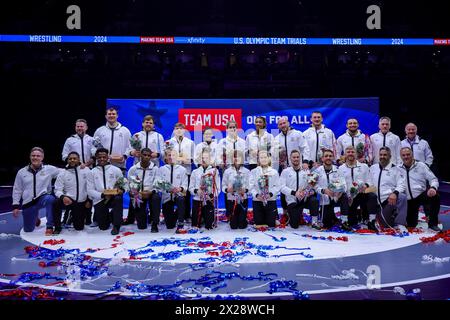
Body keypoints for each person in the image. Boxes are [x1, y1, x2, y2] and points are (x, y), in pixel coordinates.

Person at [12, 147, 60, 235]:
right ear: (30, 157)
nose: (35, 157)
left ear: (42, 158)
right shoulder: (21, 172)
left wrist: (77, 166)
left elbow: (64, 172)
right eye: (33, 155)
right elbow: (17, 189)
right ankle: (35, 217)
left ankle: (49, 226)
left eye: (38, 156)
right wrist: (15, 205)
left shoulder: (49, 169)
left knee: (51, 199)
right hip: (28, 202)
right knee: (28, 230)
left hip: (43, 198)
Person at [273, 116, 310, 217]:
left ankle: (300, 209)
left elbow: (305, 148)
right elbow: (275, 155)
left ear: (288, 123)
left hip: (298, 165)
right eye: (280, 124)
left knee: (302, 186)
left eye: (284, 123)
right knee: (283, 189)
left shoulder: (297, 134)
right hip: (284, 168)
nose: (283, 125)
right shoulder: (277, 138)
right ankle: (285, 212)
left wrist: (305, 161)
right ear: (278, 126)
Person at [399, 147, 441, 231]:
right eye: (403, 155)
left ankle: (433, 223)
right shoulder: (398, 168)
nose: (406, 157)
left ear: (412, 155)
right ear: (400, 156)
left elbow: (433, 179)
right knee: (411, 224)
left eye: (408, 154)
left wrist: (433, 188)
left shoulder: (421, 165)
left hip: (421, 195)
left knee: (435, 196)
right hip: (408, 200)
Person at [337, 146, 377, 227]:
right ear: (345, 154)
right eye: (348, 152)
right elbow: (339, 184)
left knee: (372, 195)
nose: (350, 154)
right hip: (348, 198)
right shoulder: (340, 169)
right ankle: (345, 220)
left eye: (352, 152)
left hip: (361, 194)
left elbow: (370, 180)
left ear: (356, 154)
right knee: (352, 222)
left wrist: (366, 185)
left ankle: (371, 220)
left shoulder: (364, 166)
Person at [368, 147, 407, 230]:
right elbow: (369, 182)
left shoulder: (396, 169)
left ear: (390, 156)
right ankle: (368, 218)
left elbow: (402, 184)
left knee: (402, 197)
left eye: (385, 155)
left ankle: (400, 223)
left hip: (388, 200)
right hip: (375, 201)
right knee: (383, 225)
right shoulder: (373, 168)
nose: (382, 157)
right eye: (381, 155)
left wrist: (395, 193)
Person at [87, 148, 124, 235]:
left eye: (104, 157)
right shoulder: (92, 172)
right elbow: (90, 190)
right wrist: (103, 195)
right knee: (103, 227)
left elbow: (123, 184)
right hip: (100, 199)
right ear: (96, 158)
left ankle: (116, 225)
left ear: (108, 157)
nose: (102, 159)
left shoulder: (116, 170)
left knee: (118, 199)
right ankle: (111, 216)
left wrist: (121, 190)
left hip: (114, 197)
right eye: (99, 157)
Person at [280, 150, 319, 229]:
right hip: (292, 200)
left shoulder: (306, 171)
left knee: (314, 200)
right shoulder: (285, 172)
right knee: (294, 225)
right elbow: (281, 187)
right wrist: (295, 193)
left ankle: (314, 221)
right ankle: (291, 214)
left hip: (304, 199)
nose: (296, 159)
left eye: (298, 157)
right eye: (294, 157)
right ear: (290, 158)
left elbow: (312, 186)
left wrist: (309, 192)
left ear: (300, 158)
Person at [54, 151, 91, 233]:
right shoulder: (63, 173)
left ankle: (73, 215)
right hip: (69, 200)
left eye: (75, 158)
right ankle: (57, 227)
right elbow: (57, 189)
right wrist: (63, 197)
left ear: (79, 160)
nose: (72, 160)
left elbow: (91, 186)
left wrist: (89, 200)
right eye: (70, 159)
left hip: (81, 201)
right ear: (67, 160)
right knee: (56, 203)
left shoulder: (86, 170)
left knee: (79, 227)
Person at [126, 148, 161, 232]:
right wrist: (135, 192)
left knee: (156, 198)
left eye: (149, 155)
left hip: (151, 193)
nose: (146, 157)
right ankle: (144, 216)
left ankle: (154, 223)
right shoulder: (133, 169)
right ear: (140, 155)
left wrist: (151, 191)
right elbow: (129, 184)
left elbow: (158, 184)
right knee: (141, 226)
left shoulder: (155, 169)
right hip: (138, 195)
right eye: (144, 155)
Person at [315, 149, 348, 229]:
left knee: (344, 196)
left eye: (330, 156)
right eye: (326, 156)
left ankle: (344, 221)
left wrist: (339, 192)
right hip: (325, 198)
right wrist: (323, 191)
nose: (328, 158)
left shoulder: (338, 170)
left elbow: (344, 185)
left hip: (337, 197)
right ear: (322, 158)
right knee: (327, 224)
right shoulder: (317, 171)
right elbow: (314, 186)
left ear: (333, 158)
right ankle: (331, 216)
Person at [157, 147, 189, 232]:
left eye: (173, 155)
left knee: (181, 200)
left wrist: (180, 189)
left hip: (178, 196)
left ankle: (181, 222)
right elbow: (158, 185)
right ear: (165, 157)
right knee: (170, 226)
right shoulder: (161, 169)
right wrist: (167, 190)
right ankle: (173, 218)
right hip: (167, 198)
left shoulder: (182, 169)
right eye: (169, 155)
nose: (171, 157)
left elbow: (185, 185)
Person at [169, 122, 195, 223]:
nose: (178, 130)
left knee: (186, 195)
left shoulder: (190, 142)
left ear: (184, 130)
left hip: (186, 172)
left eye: (180, 128)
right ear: (174, 130)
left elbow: (193, 159)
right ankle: (171, 214)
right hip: (173, 172)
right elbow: (166, 157)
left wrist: (184, 159)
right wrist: (181, 159)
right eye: (176, 128)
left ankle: (187, 215)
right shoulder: (169, 142)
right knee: (171, 193)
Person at [92, 107, 131, 173]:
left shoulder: (125, 131)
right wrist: (99, 156)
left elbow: (130, 147)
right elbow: (93, 147)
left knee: (119, 183)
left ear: (117, 116)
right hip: (102, 166)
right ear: (106, 116)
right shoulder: (99, 130)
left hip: (119, 166)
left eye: (113, 114)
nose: (111, 116)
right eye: (109, 114)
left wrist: (124, 156)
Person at [189, 149, 221, 229]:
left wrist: (211, 195)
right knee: (195, 225)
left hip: (208, 200)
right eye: (202, 158)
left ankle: (206, 218)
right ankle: (199, 217)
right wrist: (197, 191)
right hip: (197, 200)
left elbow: (218, 188)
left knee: (209, 226)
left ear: (210, 159)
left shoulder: (214, 172)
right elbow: (190, 188)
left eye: (206, 158)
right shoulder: (195, 172)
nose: (204, 160)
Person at [249, 150, 281, 227]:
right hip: (258, 200)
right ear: (258, 160)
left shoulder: (274, 172)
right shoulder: (253, 172)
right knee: (259, 223)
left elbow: (277, 186)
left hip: (270, 200)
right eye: (261, 158)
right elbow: (251, 186)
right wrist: (256, 195)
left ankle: (273, 217)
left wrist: (270, 194)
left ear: (269, 159)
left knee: (271, 224)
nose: (263, 159)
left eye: (265, 157)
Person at [222, 151, 250, 229]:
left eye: (239, 157)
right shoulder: (227, 171)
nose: (237, 159)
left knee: (242, 225)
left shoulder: (247, 172)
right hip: (231, 199)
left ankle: (244, 219)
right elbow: (223, 185)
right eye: (235, 157)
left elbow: (250, 186)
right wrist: (227, 190)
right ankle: (232, 219)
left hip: (243, 199)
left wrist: (245, 190)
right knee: (233, 226)